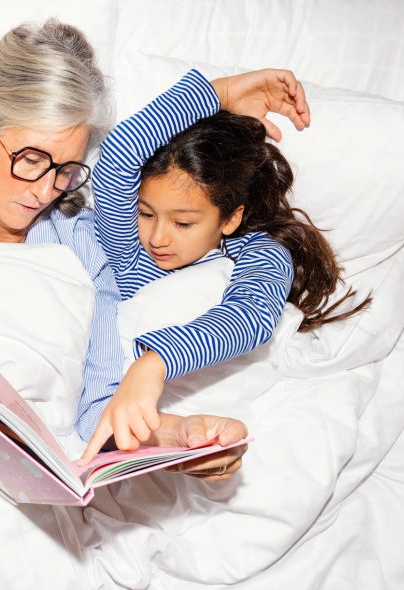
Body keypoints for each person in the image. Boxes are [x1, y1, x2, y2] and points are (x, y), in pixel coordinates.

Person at [0, 21, 307, 480]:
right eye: (31, 160)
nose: (44, 190)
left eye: (65, 170)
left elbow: (98, 404)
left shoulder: (81, 243)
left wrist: (180, 437)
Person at [79, 71, 370, 462]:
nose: (158, 237)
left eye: (183, 223)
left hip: (213, 411)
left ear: (230, 219)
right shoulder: (130, 253)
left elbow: (249, 316)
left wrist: (156, 361)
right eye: (146, 213)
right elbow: (118, 155)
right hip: (126, 417)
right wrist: (221, 93)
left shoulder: (257, 254)